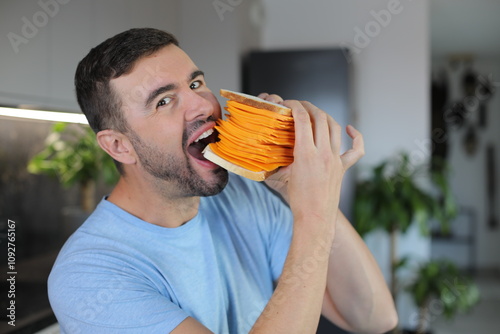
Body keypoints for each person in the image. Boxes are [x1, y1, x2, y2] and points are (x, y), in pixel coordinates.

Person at [48, 28, 397, 334]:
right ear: (119, 146)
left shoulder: (242, 197)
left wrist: (298, 191)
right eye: (164, 100)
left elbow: (373, 317)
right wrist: (314, 214)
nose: (202, 105)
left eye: (196, 83)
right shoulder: (88, 277)